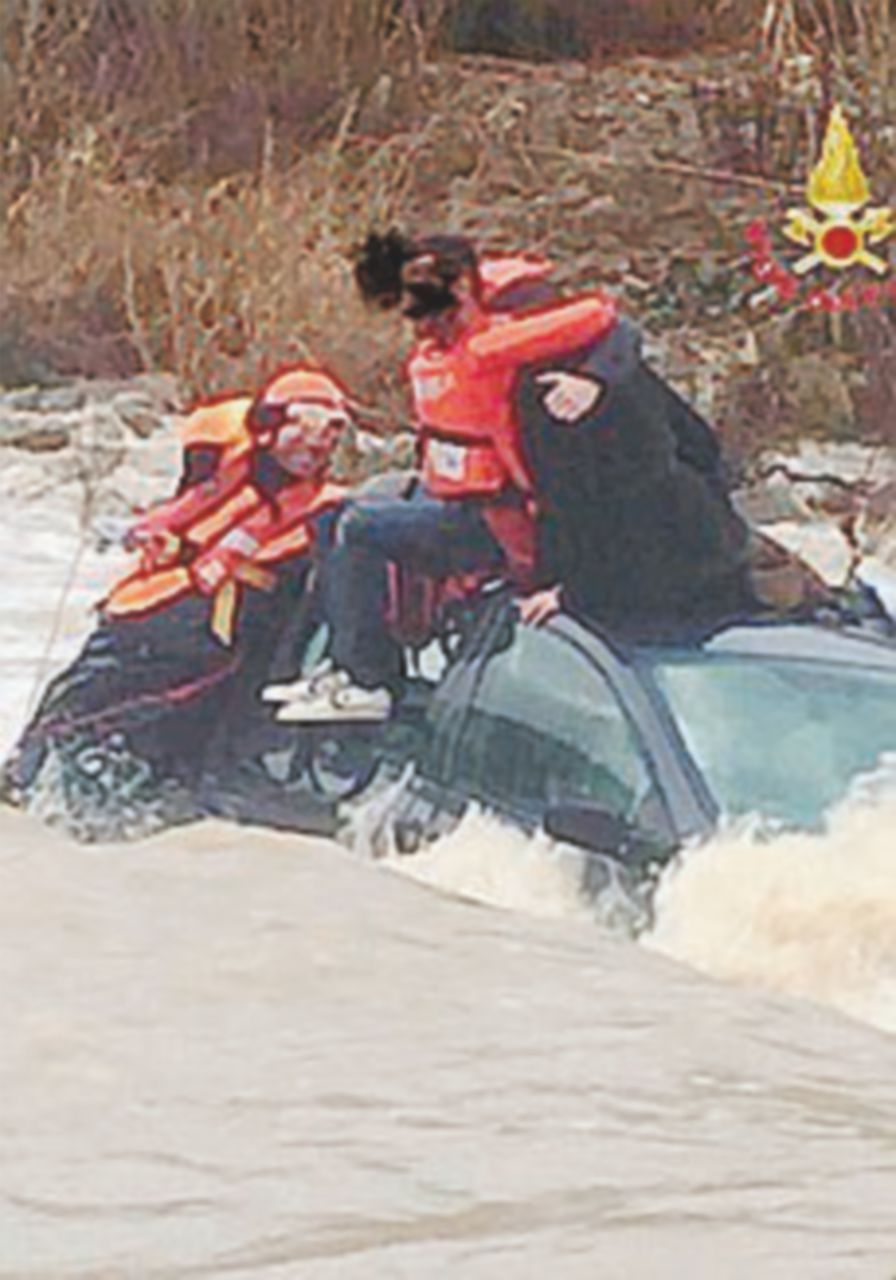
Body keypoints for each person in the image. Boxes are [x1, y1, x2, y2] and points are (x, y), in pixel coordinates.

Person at [265, 230, 752, 722]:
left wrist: (592, 380)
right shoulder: (437, 354)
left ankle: (370, 683)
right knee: (333, 519)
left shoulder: (510, 348)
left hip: (507, 529)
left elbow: (613, 326)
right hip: (466, 507)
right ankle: (343, 666)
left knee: (362, 528)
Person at [1, 365, 352, 839]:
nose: (318, 444)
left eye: (332, 432)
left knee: (168, 719)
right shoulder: (219, 451)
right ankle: (25, 785)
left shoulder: (326, 508)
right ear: (270, 426)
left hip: (221, 629)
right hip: (155, 607)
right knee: (81, 698)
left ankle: (134, 799)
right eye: (306, 425)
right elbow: (189, 508)